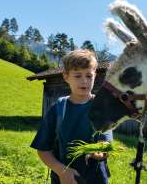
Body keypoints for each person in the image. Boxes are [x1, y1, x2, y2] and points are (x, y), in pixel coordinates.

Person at [30, 49, 113, 184]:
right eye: (77, 76)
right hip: (63, 179)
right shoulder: (57, 109)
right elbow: (43, 149)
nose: (84, 81)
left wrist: (102, 151)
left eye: (88, 76)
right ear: (66, 76)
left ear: (95, 75)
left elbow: (106, 144)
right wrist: (63, 171)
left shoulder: (102, 108)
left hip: (96, 179)